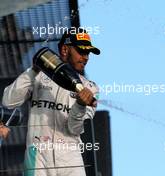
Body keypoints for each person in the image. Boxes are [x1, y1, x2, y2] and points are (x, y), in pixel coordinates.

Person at [2, 28, 100, 176]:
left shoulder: (90, 88)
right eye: (81, 51)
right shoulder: (38, 76)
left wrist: (80, 105)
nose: (86, 57)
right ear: (65, 50)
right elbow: (8, 101)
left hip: (71, 159)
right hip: (38, 156)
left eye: (88, 53)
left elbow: (74, 129)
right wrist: (33, 70)